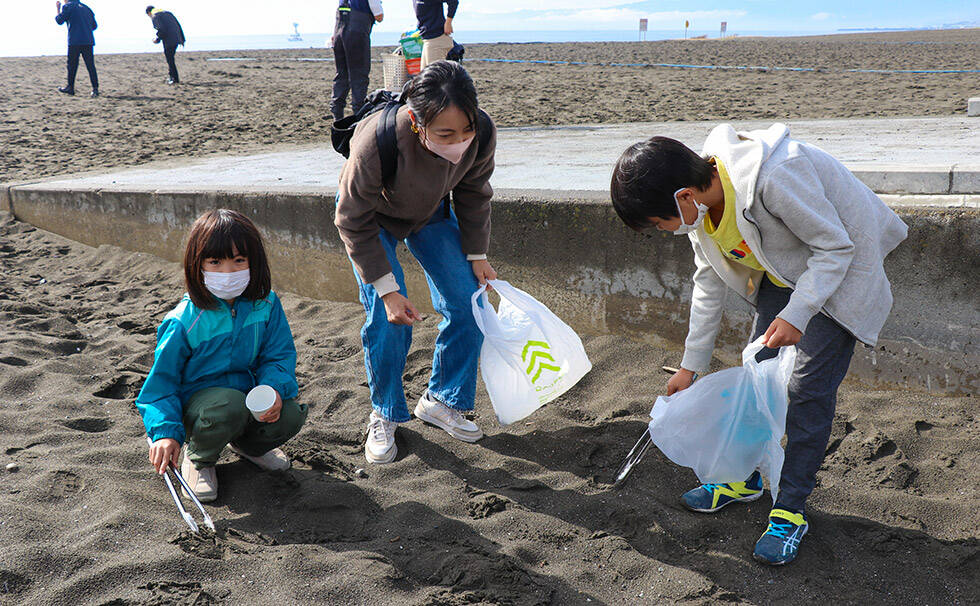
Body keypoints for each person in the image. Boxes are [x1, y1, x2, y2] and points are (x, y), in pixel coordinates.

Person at [610, 125, 907, 565]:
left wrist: (797, 313)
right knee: (757, 375)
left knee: (805, 389)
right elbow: (708, 281)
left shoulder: (776, 177)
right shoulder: (702, 210)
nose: (664, 230)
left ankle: (790, 509)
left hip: (842, 269)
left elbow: (836, 248)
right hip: (784, 269)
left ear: (683, 196)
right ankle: (744, 478)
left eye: (659, 222)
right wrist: (690, 366)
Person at [335, 61, 497, 464]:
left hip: (430, 213)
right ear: (416, 121)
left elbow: (475, 192)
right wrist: (388, 291)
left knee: (469, 302)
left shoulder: (484, 132)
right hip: (373, 220)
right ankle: (385, 411)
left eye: (466, 130)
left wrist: (477, 255)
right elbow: (350, 218)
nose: (459, 141)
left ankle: (442, 399)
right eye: (445, 134)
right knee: (387, 318)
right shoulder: (377, 139)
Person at [136, 209, 308, 502]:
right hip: (203, 410)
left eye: (239, 260)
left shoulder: (265, 304)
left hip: (244, 400)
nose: (227, 273)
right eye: (215, 262)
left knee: (290, 414)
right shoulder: (183, 321)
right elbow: (158, 388)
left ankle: (248, 447)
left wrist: (275, 390)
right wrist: (165, 432)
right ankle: (200, 458)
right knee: (227, 406)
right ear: (197, 263)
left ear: (254, 261)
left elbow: (278, 355)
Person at [330, 0, 383, 121]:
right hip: (357, 32)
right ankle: (359, 117)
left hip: (339, 30)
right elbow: (378, 15)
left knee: (341, 76)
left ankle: (337, 117)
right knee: (359, 76)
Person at [54, 0, 99, 97]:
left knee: (72, 65)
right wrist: (85, 28)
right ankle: (95, 88)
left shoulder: (68, 7)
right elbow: (94, 26)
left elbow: (59, 20)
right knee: (90, 65)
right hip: (88, 40)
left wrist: (58, 8)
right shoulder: (87, 8)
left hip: (75, 40)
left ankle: (70, 87)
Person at [145, 6, 186, 84]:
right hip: (177, 38)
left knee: (170, 59)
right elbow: (178, 25)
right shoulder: (168, 13)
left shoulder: (155, 16)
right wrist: (182, 39)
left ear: (149, 13)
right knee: (170, 58)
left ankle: (174, 79)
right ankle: (172, 77)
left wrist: (157, 39)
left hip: (169, 40)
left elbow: (162, 29)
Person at [413, 0, 457, 69]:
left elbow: (453, 1)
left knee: (435, 77)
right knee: (425, 77)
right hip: (427, 40)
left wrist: (448, 22)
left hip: (436, 39)